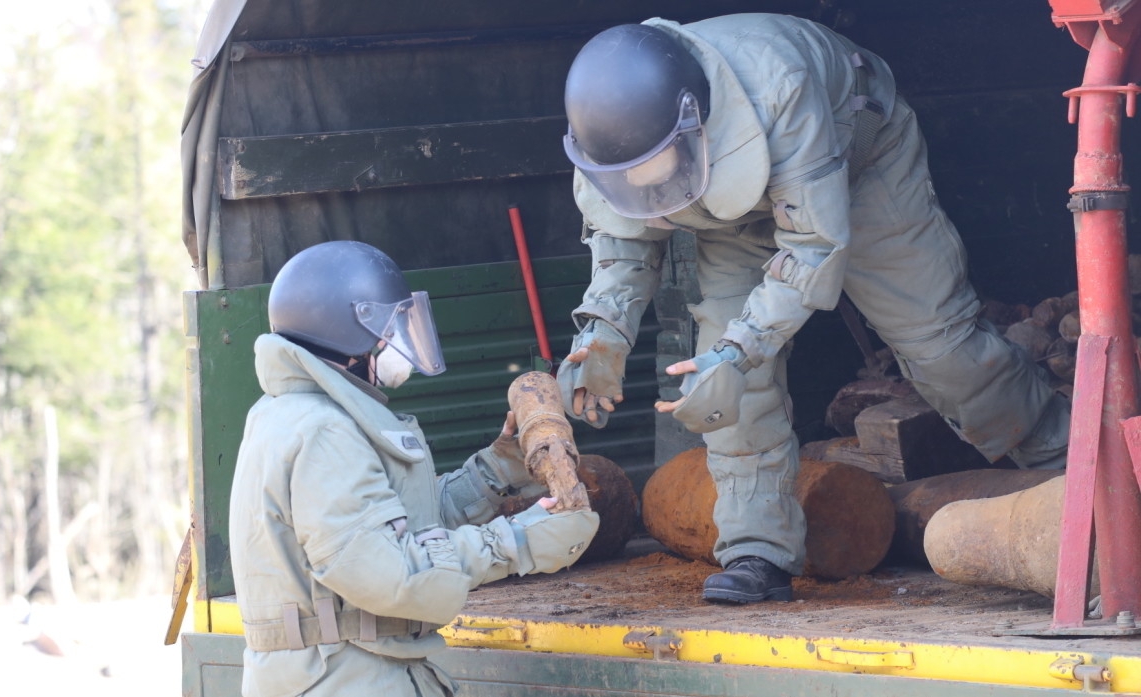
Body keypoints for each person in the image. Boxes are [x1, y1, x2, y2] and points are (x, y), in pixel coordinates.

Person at [555, 14, 1070, 605]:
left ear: (691, 118)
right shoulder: (607, 134)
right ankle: (757, 552)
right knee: (726, 386)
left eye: (657, 170)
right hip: (734, 209)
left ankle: (1065, 462)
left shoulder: (781, 85)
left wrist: (738, 349)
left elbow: (813, 248)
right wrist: (604, 334)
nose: (647, 186)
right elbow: (621, 244)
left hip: (859, 159)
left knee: (940, 347)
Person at [229, 240, 599, 697]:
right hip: (343, 681)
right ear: (349, 333)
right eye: (389, 326)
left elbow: (393, 521)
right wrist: (518, 541)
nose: (398, 342)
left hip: (353, 674)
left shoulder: (295, 414)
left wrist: (495, 469)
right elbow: (390, 573)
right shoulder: (323, 432)